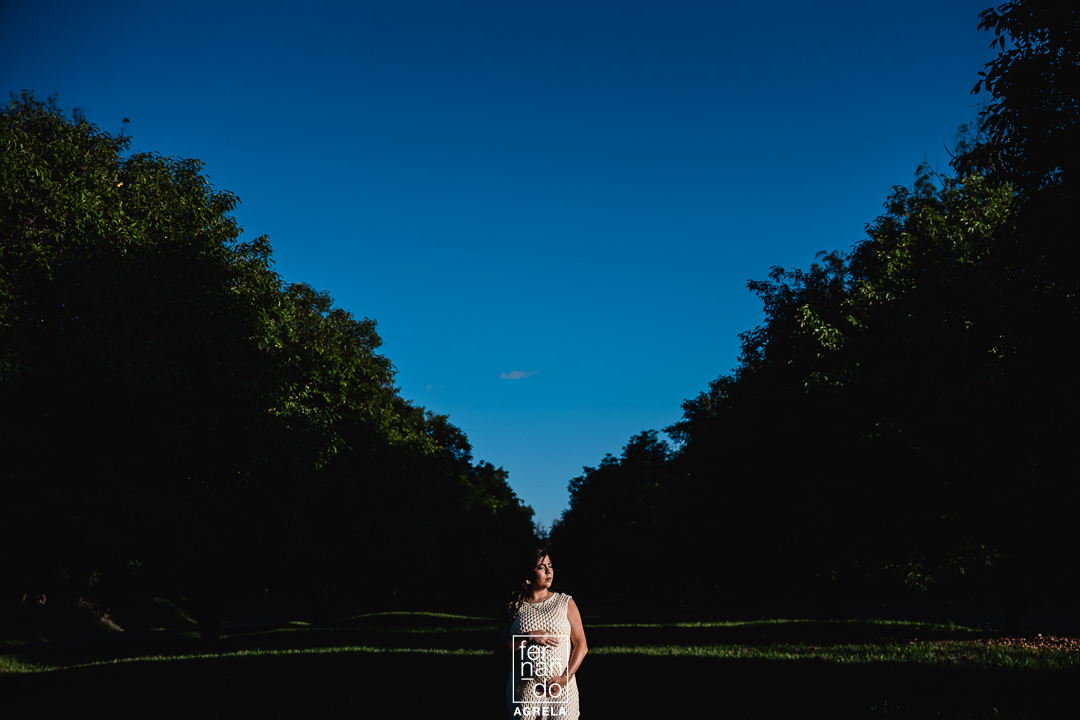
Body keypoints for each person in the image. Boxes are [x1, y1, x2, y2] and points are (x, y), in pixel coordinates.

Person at [498, 547, 588, 719]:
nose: (548, 571)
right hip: (523, 694)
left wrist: (565, 678)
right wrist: (528, 636)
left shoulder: (565, 602)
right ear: (527, 573)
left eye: (550, 565)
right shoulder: (512, 607)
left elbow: (581, 646)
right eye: (541, 567)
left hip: (561, 693)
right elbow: (500, 649)